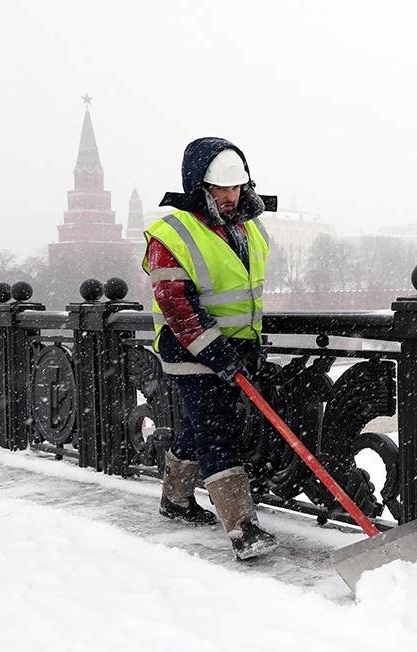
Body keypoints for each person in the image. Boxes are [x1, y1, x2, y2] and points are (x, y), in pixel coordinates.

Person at [142, 137, 278, 560]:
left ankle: (175, 500)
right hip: (189, 348)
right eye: (222, 188)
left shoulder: (248, 226)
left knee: (204, 425)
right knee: (218, 430)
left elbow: (246, 293)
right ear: (199, 186)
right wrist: (216, 351)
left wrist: (247, 346)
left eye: (237, 187)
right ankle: (243, 529)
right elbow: (177, 305)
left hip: (235, 348)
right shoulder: (172, 234)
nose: (232, 196)